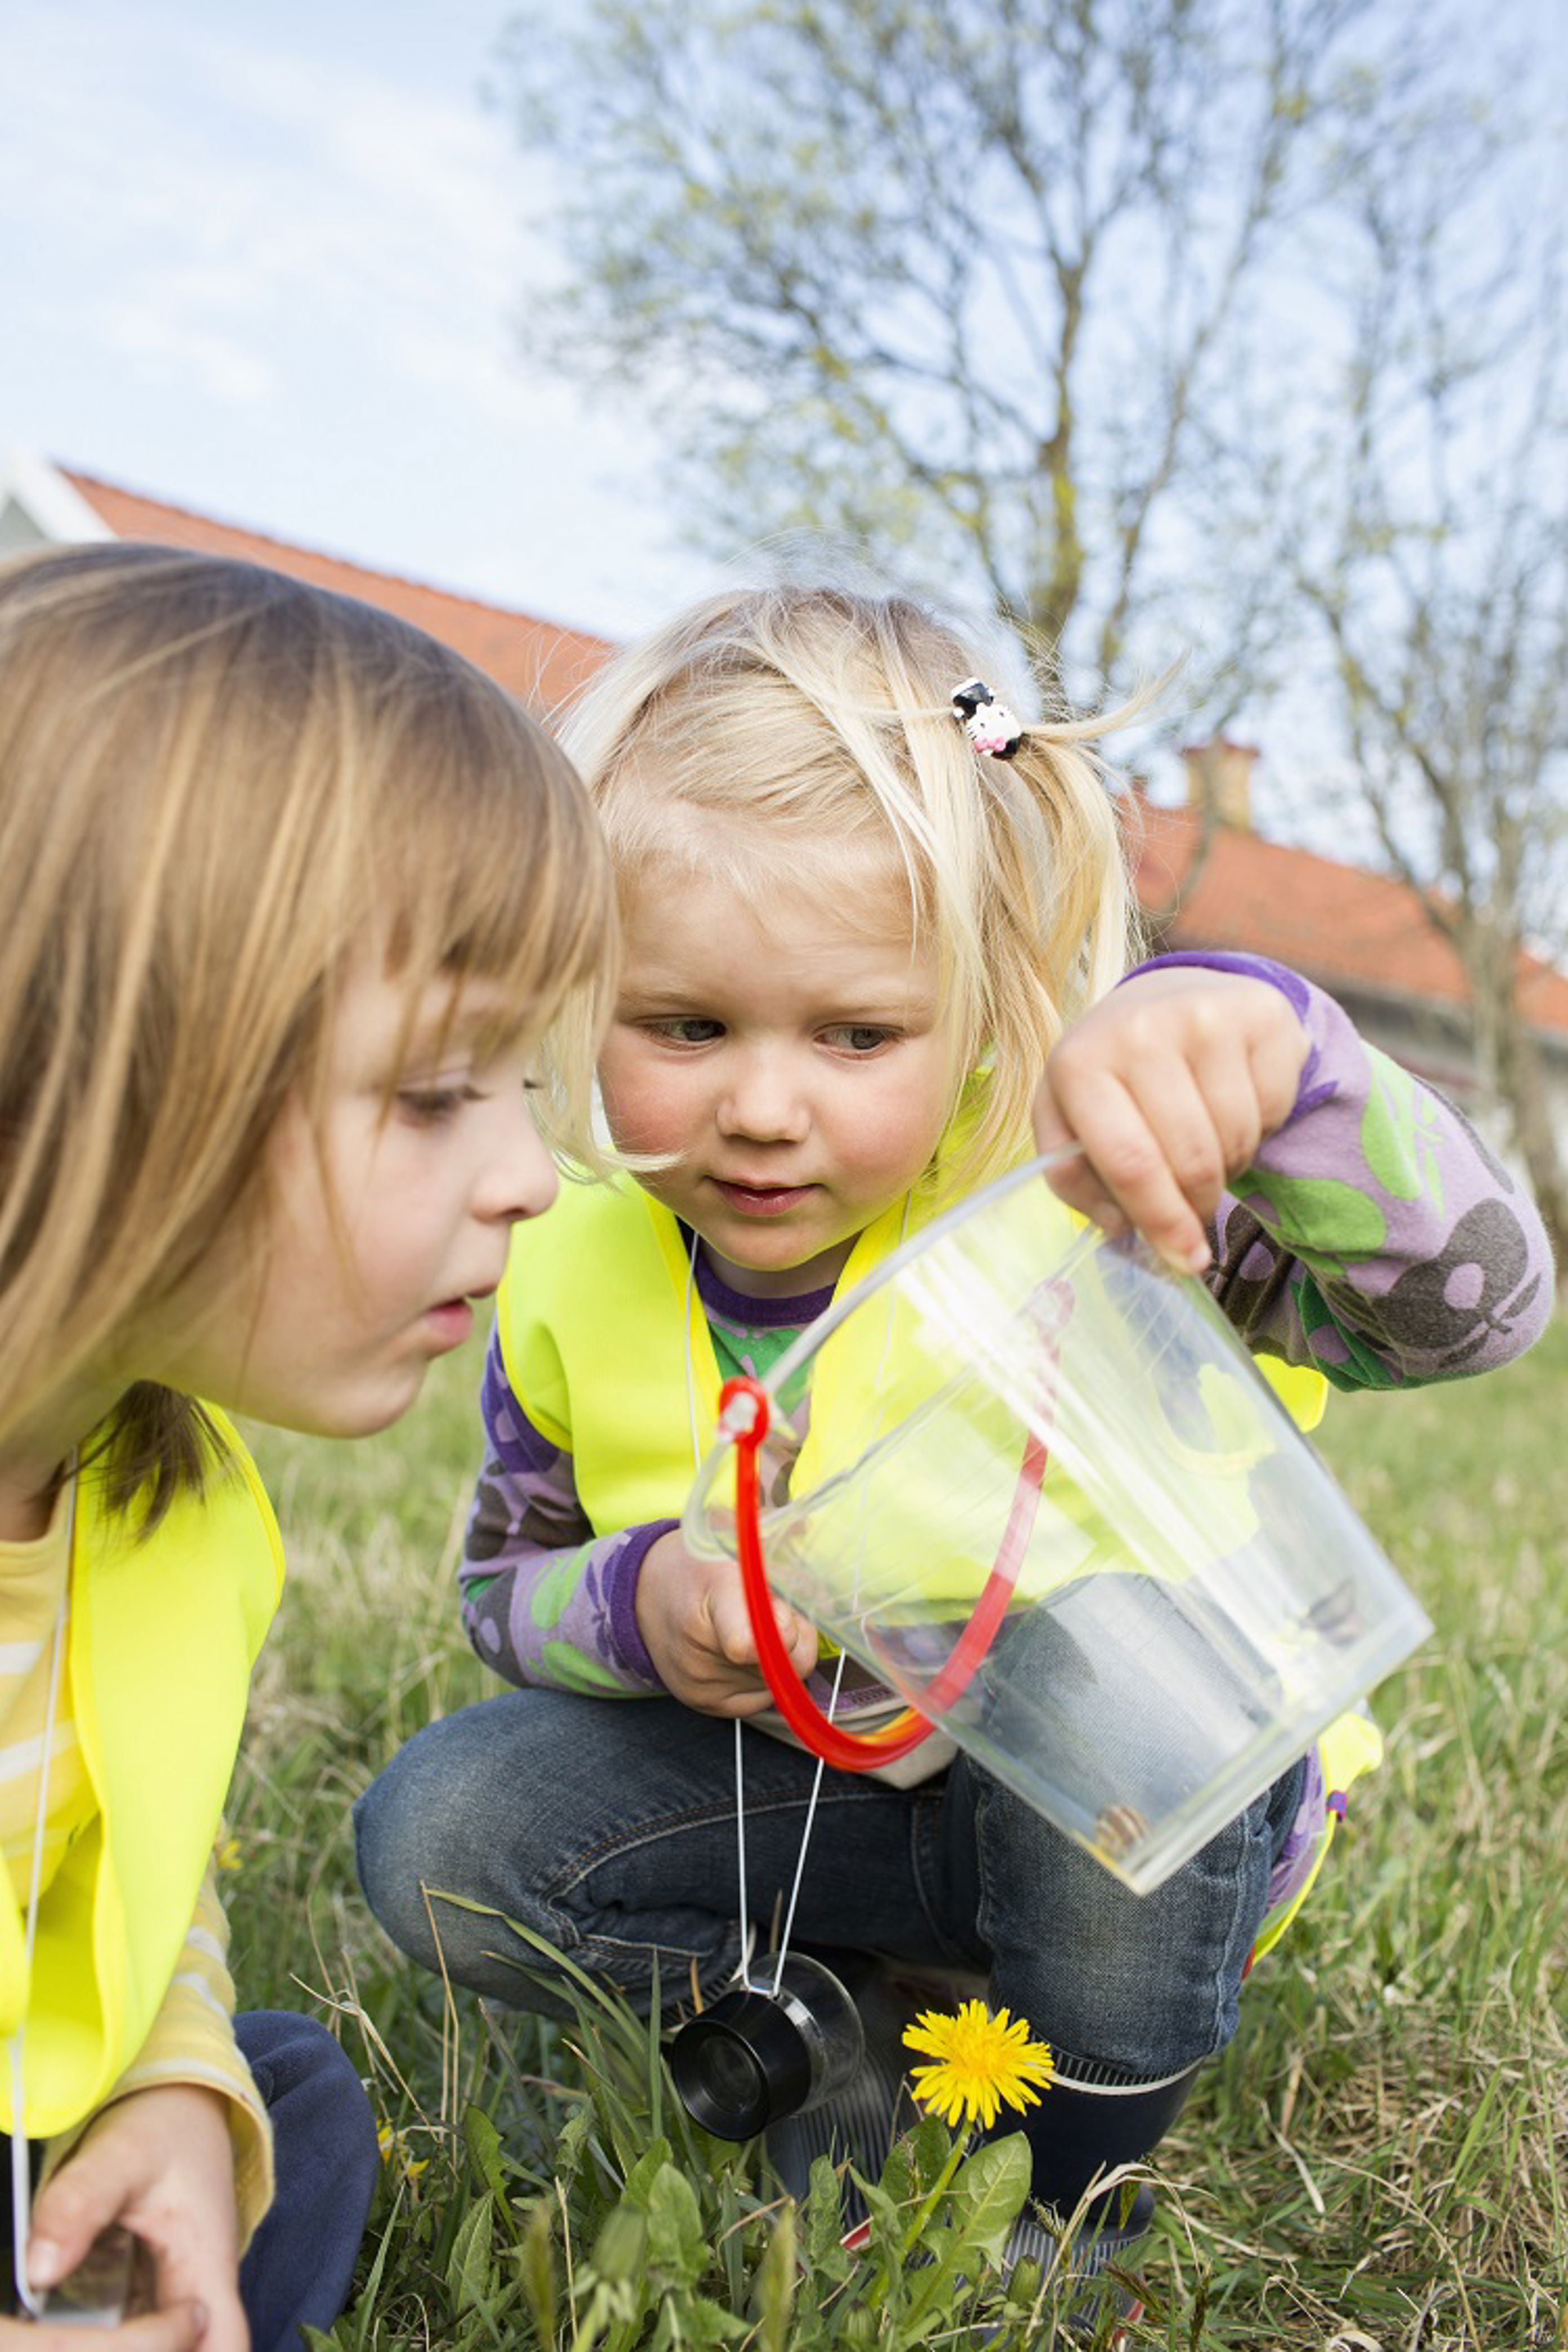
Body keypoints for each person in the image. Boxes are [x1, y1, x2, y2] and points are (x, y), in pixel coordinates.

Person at [354, 582, 1552, 2308]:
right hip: (814, 1809)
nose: (766, 1106)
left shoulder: (1099, 1198)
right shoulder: (568, 1252)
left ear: (983, 1003)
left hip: (1139, 1817)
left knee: (1105, 1674)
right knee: (440, 1827)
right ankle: (838, 2036)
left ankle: (1074, 2197)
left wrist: (1289, 1070)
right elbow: (499, 1586)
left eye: (858, 1035)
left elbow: (1468, 1314)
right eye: (684, 1026)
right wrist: (641, 1605)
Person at [0, 543, 615, 2350]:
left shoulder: (156, 1511)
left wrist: (168, 2092)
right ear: (79, 1078)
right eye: (433, 1094)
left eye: (521, 1086)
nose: (531, 1175)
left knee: (288, 2097)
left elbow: (123, 1892)